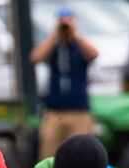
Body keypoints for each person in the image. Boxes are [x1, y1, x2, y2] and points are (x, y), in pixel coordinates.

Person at [31, 8, 98, 159]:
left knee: (82, 153)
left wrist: (74, 34)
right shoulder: (53, 46)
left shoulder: (79, 46)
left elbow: (94, 53)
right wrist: (55, 35)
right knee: (48, 151)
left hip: (79, 111)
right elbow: (36, 57)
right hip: (54, 111)